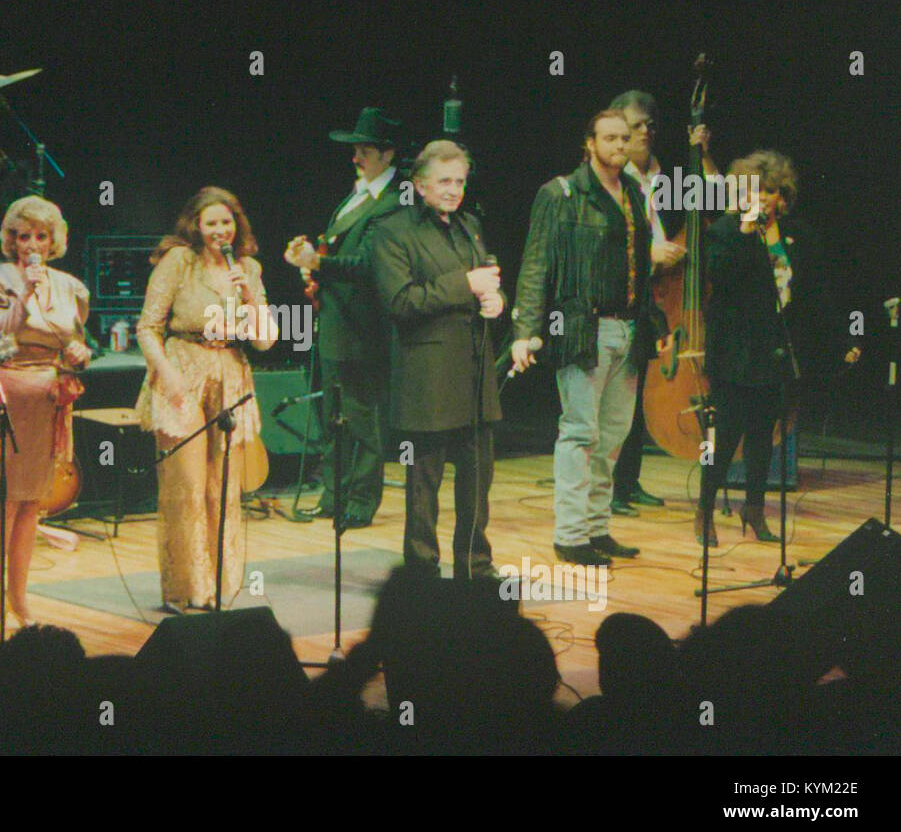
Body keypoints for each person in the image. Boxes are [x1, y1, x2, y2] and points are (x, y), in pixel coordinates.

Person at [510, 109, 665, 566]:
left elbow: (641, 266)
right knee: (580, 430)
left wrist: (654, 324)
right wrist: (526, 331)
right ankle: (571, 533)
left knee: (614, 433)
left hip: (628, 325)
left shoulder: (634, 192)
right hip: (584, 326)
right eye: (611, 138)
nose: (620, 145)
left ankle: (597, 527)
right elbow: (536, 264)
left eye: (626, 138)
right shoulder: (562, 194)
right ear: (590, 143)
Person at [695, 151, 861, 545]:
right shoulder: (724, 231)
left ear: (782, 196)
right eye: (755, 190)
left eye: (770, 191)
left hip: (775, 350)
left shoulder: (797, 235)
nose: (764, 198)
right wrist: (746, 230)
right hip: (735, 349)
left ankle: (754, 508)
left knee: (762, 435)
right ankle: (705, 508)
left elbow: (816, 295)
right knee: (728, 434)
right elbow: (720, 277)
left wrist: (843, 340)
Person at [135, 187, 277, 612]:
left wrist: (249, 296)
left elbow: (266, 340)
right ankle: (186, 588)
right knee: (187, 485)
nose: (220, 230)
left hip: (229, 375)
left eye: (227, 222)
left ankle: (219, 584)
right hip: (183, 370)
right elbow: (147, 326)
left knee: (222, 487)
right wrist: (169, 374)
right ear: (195, 225)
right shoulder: (179, 261)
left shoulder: (248, 268)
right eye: (211, 222)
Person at [371, 140, 504, 579]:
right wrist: (464, 284)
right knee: (423, 483)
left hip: (474, 372)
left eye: (460, 181)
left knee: (477, 480)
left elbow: (485, 279)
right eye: (444, 181)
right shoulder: (394, 230)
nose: (453, 190)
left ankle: (474, 563)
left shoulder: (470, 225)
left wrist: (495, 299)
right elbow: (400, 302)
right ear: (420, 185)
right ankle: (422, 569)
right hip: (428, 378)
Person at [0, 196, 92, 634]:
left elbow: (74, 344)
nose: (31, 245)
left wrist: (80, 353)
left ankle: (19, 600)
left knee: (30, 504)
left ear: (53, 240)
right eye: (23, 236)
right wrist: (27, 292)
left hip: (46, 395)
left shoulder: (72, 287)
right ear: (11, 239)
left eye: (40, 236)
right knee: (3, 501)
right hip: (4, 387)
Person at [284, 107, 405, 528]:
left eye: (364, 151)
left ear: (387, 155)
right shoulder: (358, 195)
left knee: (364, 417)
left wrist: (317, 263)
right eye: (354, 150)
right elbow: (338, 250)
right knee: (333, 413)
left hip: (364, 327)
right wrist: (313, 261)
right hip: (336, 321)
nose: (356, 158)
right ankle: (334, 493)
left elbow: (369, 264)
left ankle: (361, 499)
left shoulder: (392, 203)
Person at [608, 90, 719, 515]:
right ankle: (612, 492)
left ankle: (629, 483)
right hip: (625, 291)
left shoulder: (664, 175)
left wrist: (703, 155)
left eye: (651, 126)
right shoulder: (611, 179)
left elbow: (716, 200)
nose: (646, 135)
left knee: (638, 397)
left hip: (661, 298)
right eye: (638, 127)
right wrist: (648, 254)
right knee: (619, 398)